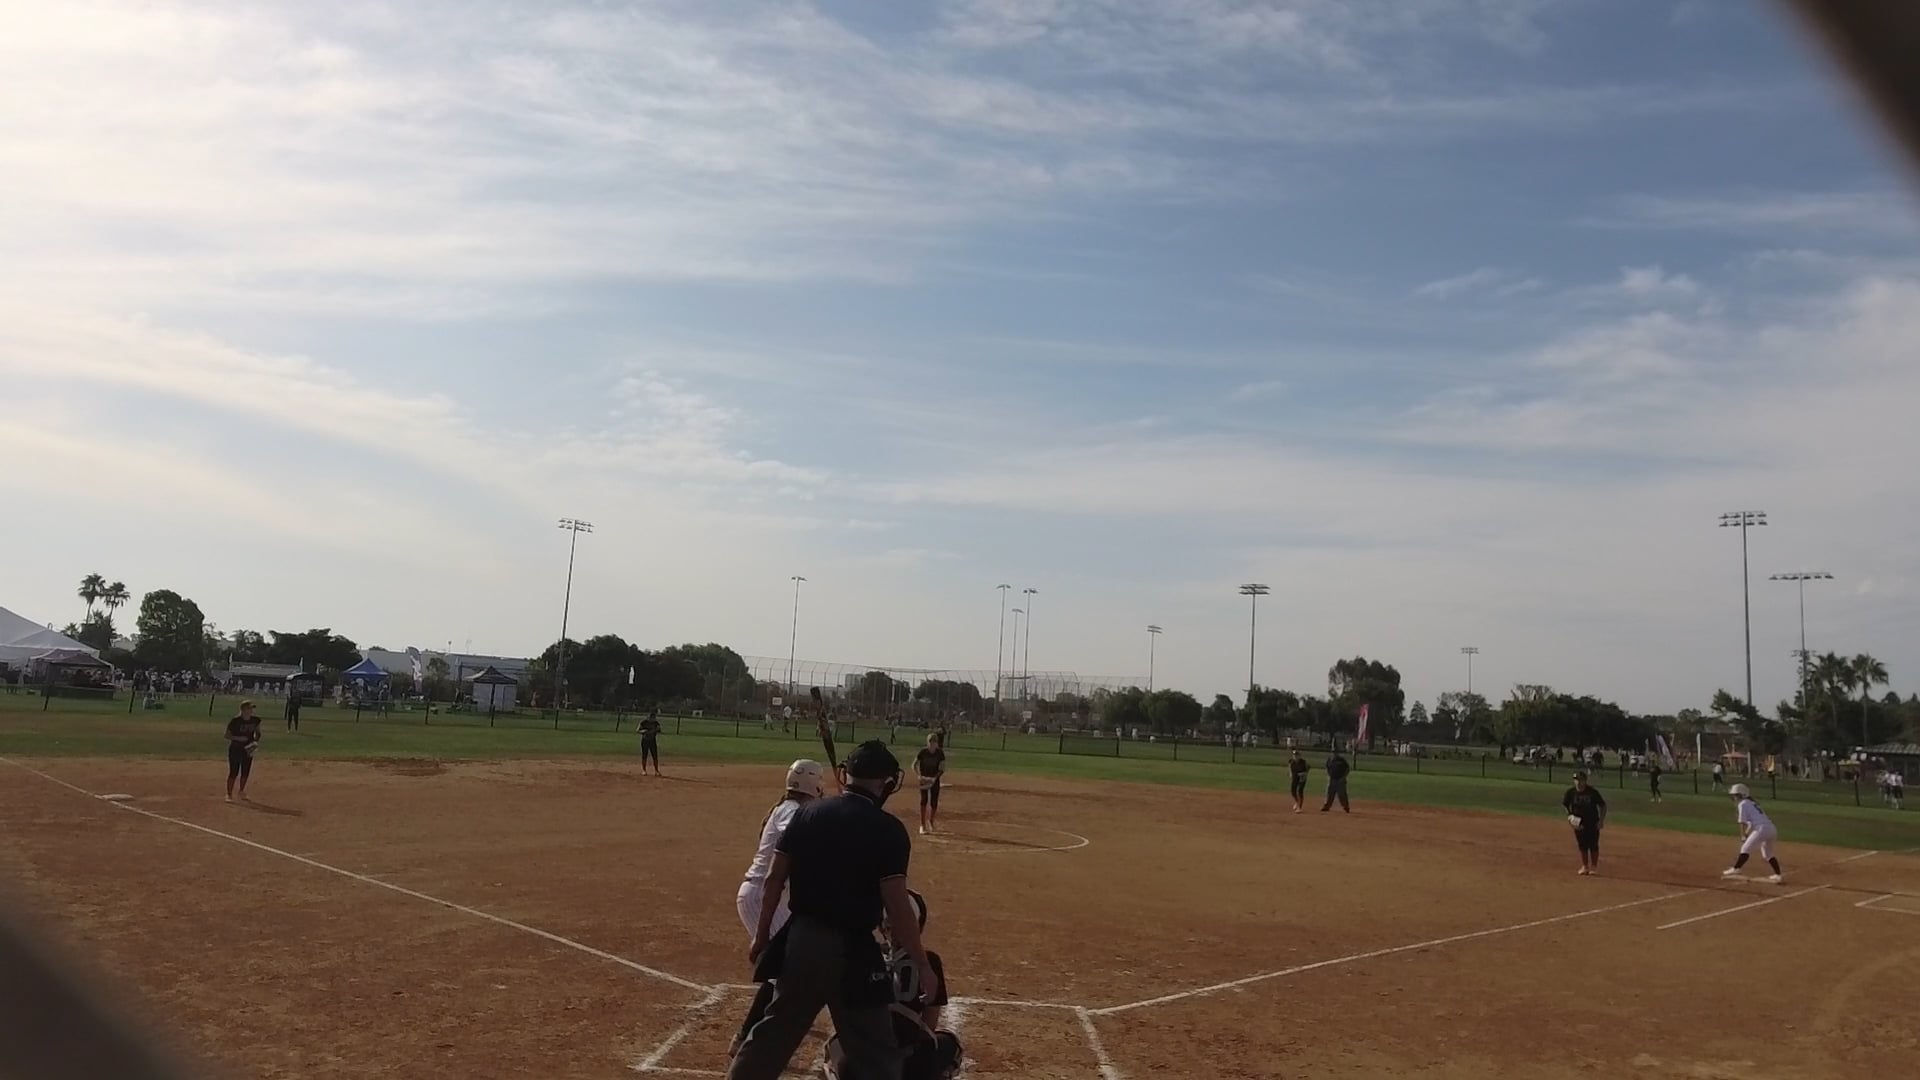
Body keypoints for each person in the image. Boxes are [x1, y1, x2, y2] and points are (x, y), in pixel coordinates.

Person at [730, 741, 935, 1080]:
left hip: (799, 942)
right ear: (886, 782)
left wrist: (762, 935)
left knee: (771, 1036)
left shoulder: (806, 813)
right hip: (852, 950)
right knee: (875, 1051)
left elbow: (774, 878)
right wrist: (922, 963)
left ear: (845, 775)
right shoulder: (888, 829)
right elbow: (897, 904)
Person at [729, 760, 827, 1058]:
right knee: (783, 968)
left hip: (771, 896)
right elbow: (800, 836)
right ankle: (745, 1038)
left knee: (793, 962)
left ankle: (780, 1016)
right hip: (762, 896)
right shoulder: (791, 811)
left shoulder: (790, 808)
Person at [823, 890, 963, 1080]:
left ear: (882, 926)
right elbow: (930, 1022)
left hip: (865, 1061)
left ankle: (835, 1071)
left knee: (835, 1045)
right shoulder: (929, 961)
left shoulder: (862, 957)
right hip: (913, 1064)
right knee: (949, 1042)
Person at [1721, 783, 1784, 884]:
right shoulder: (1752, 803)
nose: (1734, 797)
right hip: (1771, 829)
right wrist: (1746, 834)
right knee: (1768, 854)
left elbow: (1742, 822)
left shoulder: (1743, 804)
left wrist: (1742, 835)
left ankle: (1736, 868)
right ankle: (1778, 875)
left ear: (1741, 795)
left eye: (1736, 795)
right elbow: (1751, 823)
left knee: (1745, 849)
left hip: (1761, 829)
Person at [1562, 771, 1608, 876]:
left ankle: (1594, 867)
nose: (1578, 782)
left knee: (1593, 845)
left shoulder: (1592, 792)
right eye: (1576, 780)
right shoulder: (1571, 792)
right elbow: (1565, 804)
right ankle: (1585, 866)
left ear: (1585, 781)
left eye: (1580, 780)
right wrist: (1569, 816)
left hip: (1592, 822)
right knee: (1582, 845)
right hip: (1578, 822)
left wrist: (1601, 820)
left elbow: (1603, 805)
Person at [225, 700, 262, 803]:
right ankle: (229, 794)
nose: (251, 710)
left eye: (252, 708)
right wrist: (238, 738)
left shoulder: (255, 720)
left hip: (248, 749)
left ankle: (241, 791)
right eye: (249, 708)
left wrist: (255, 742)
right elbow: (227, 735)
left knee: (245, 771)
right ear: (243, 709)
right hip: (236, 749)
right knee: (234, 772)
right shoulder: (235, 721)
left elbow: (258, 733)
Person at [914, 733, 946, 836]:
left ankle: (931, 821)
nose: (932, 745)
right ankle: (922, 825)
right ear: (927, 743)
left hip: (934, 780)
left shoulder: (940, 753)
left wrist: (934, 778)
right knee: (924, 800)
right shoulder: (923, 752)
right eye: (930, 742)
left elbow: (942, 768)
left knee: (934, 802)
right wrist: (919, 776)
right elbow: (914, 765)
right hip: (924, 779)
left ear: (937, 743)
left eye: (934, 742)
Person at [1321, 748, 1351, 813]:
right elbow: (1327, 768)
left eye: (1335, 752)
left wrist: (1344, 777)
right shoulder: (1330, 760)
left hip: (1340, 779)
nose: (1334, 753)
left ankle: (1346, 807)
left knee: (1342, 794)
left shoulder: (1342, 760)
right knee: (1329, 793)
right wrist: (1329, 775)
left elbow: (1347, 769)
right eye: (1333, 752)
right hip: (1332, 779)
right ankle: (1327, 806)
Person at [639, 708, 662, 776]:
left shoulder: (656, 723)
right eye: (651, 717)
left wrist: (657, 730)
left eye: (653, 717)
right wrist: (643, 731)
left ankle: (656, 771)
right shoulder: (643, 722)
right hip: (645, 741)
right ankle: (644, 770)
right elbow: (638, 730)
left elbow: (659, 730)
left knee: (655, 756)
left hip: (652, 741)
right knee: (644, 755)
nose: (652, 719)